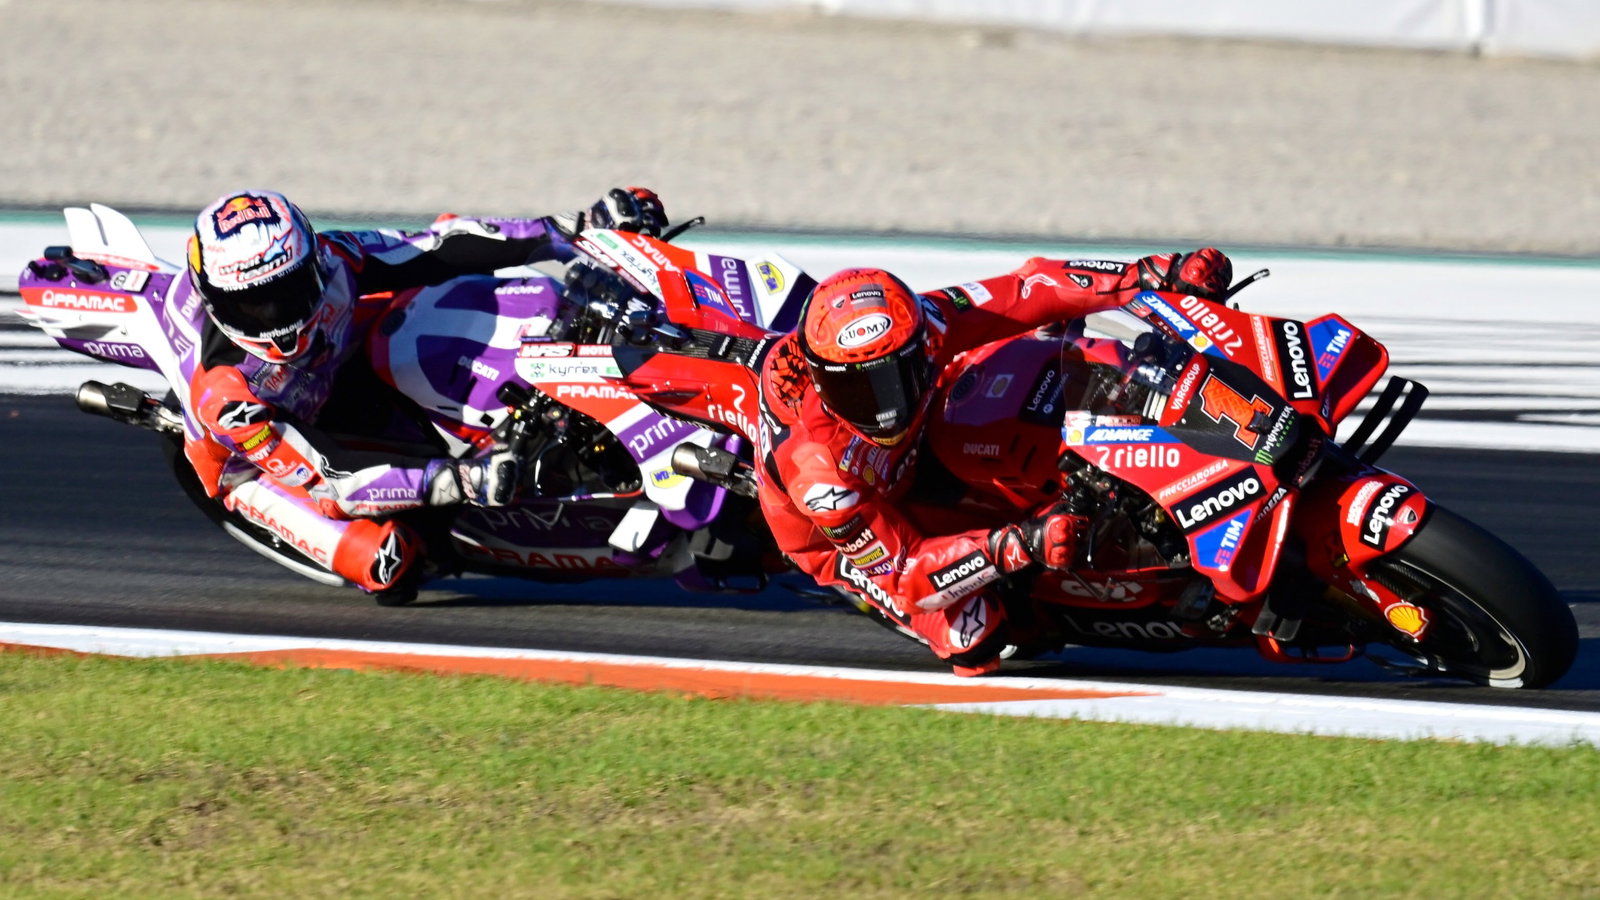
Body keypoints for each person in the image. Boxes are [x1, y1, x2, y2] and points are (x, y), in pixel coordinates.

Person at [754, 249, 1232, 675]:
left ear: (919, 345)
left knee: (1054, 359)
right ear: (822, 382)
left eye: (897, 376)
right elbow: (905, 576)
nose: (887, 406)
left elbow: (1028, 287)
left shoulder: (925, 324)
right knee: (975, 636)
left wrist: (1151, 274)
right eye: (860, 390)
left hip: (927, 441)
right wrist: (1019, 544)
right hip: (859, 540)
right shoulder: (820, 474)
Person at [182, 187, 667, 601]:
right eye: (251, 305)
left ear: (311, 262)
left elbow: (435, 245)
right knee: (388, 562)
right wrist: (460, 480)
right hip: (268, 466)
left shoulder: (334, 257)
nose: (275, 319)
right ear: (215, 301)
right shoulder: (229, 398)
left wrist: (573, 229)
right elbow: (336, 482)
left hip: (341, 368)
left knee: (449, 289)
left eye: (288, 292)